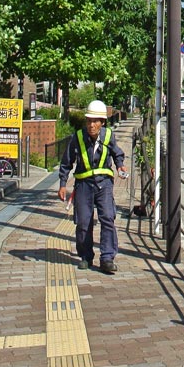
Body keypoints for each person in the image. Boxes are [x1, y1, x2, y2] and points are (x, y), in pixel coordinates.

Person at [57, 99, 129, 274]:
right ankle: (86, 256)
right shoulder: (78, 137)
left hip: (104, 183)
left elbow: (116, 152)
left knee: (107, 218)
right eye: (89, 121)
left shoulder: (108, 136)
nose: (91, 125)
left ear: (102, 122)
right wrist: (62, 184)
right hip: (83, 184)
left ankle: (107, 258)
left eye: (95, 121)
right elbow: (67, 162)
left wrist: (120, 165)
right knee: (83, 221)